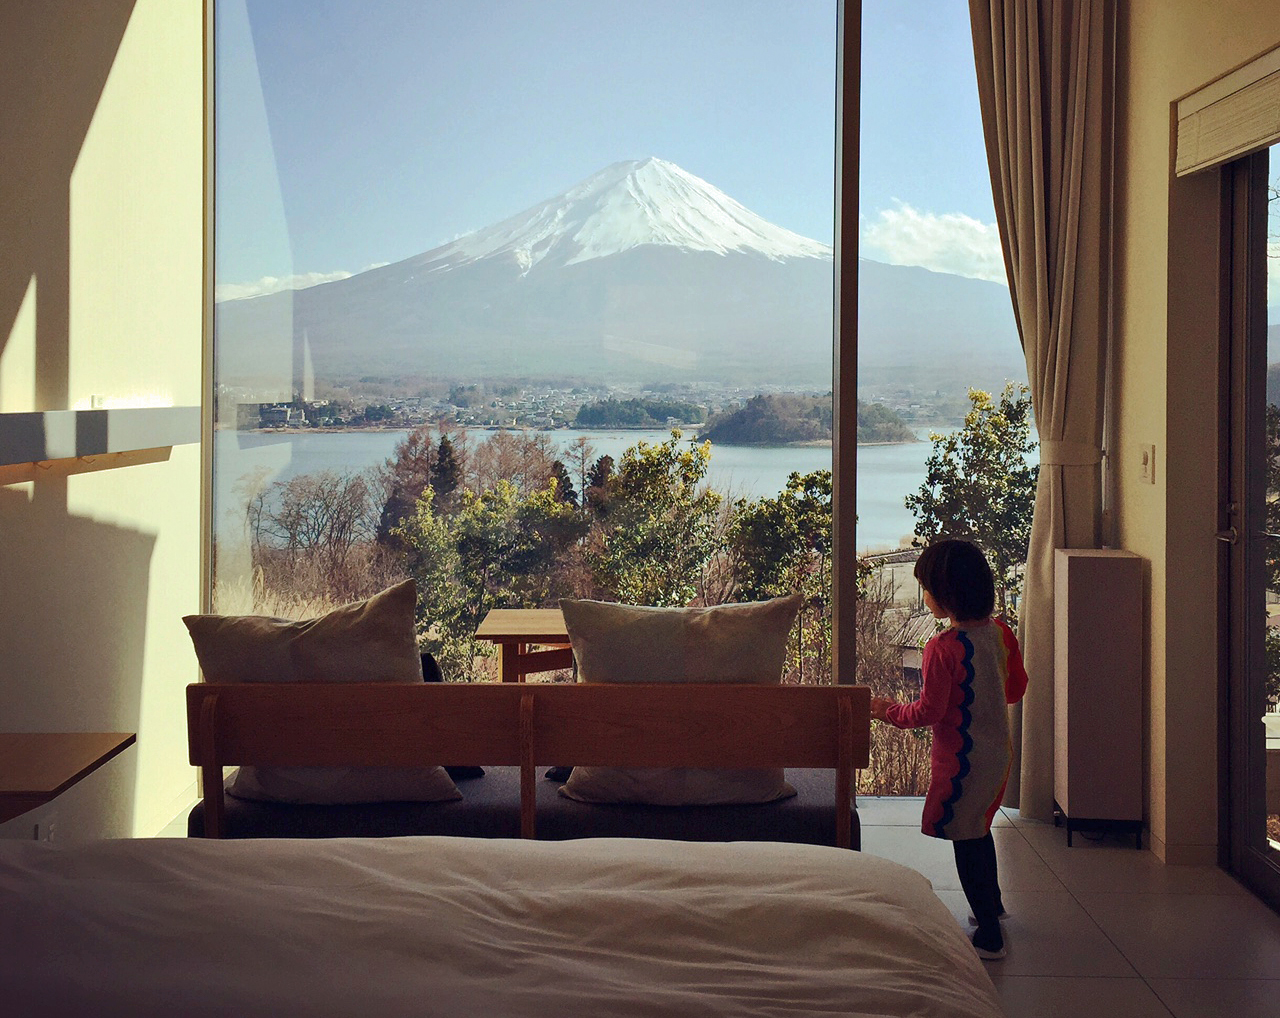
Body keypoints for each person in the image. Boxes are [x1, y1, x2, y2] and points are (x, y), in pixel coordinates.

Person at [870, 538, 1028, 960]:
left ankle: (990, 935)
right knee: (979, 829)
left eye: (926, 587)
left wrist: (886, 710)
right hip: (998, 757)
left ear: (946, 594)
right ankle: (992, 905)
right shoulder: (1000, 635)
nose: (924, 595)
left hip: (963, 763)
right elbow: (1016, 690)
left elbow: (928, 711)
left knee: (965, 838)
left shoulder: (942, 649)